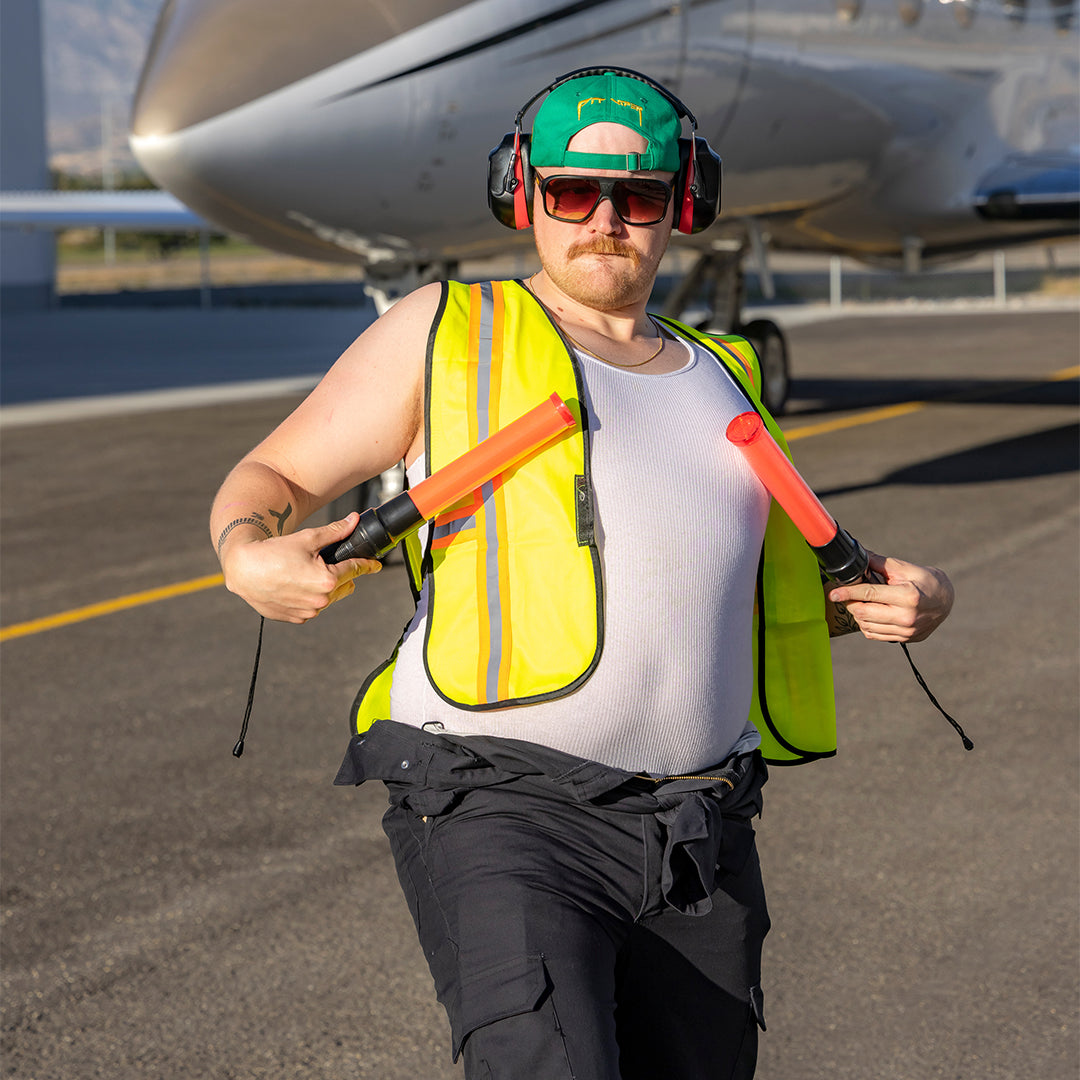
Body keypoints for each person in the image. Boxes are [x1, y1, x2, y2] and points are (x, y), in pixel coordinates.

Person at [210, 68, 954, 1080]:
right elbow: (277, 475)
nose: (605, 220)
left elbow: (745, 601)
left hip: (702, 826)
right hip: (503, 809)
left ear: (682, 206)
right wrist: (246, 550)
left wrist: (910, 600)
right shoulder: (448, 331)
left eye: (639, 197)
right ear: (521, 195)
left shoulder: (723, 375)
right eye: (571, 192)